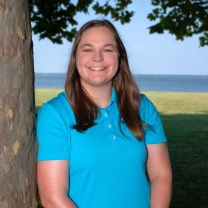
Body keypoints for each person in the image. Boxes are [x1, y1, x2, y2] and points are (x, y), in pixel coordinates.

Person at [37, 20, 172, 208]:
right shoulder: (55, 113)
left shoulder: (141, 106)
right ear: (75, 58)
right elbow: (52, 198)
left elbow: (161, 175)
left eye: (107, 49)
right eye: (87, 49)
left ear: (119, 57)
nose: (97, 58)